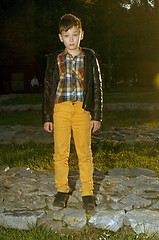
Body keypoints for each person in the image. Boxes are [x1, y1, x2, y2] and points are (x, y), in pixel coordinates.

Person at [43, 14, 103, 210]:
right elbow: (48, 87)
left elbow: (97, 87)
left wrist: (96, 115)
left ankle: (88, 192)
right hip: (60, 109)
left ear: (81, 35)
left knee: (84, 153)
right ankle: (62, 190)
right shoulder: (55, 59)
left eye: (75, 35)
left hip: (82, 111)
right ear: (60, 37)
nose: (71, 39)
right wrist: (47, 116)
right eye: (67, 35)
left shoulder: (90, 57)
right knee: (60, 153)